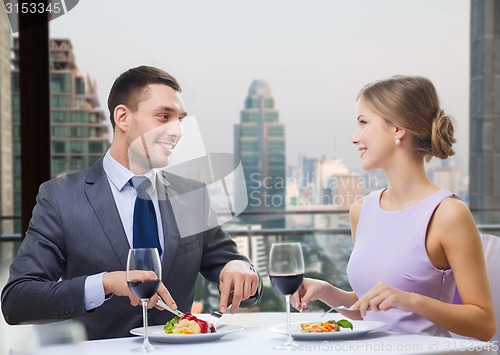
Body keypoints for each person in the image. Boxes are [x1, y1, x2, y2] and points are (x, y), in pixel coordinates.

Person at [1, 65, 262, 340]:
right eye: (164, 117)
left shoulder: (191, 195)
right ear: (123, 117)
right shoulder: (60, 198)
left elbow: (238, 277)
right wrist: (106, 283)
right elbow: (18, 300)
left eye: (180, 120)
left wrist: (241, 269)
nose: (177, 132)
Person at [292, 75, 496, 341]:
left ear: (398, 128)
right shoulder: (362, 210)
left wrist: (412, 301)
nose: (355, 138)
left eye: (363, 122)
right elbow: (373, 310)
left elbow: (484, 324)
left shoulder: (448, 214)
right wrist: (327, 291)